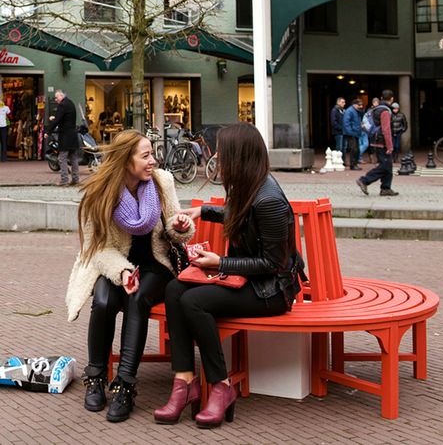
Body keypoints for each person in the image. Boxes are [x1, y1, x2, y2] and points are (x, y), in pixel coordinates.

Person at [153, 122, 304, 429]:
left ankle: (221, 387)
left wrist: (220, 262)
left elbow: (273, 264)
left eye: (222, 152)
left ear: (239, 156)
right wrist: (203, 212)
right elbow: (242, 217)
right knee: (174, 290)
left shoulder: (270, 199)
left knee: (194, 301)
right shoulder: (248, 184)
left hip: (272, 291)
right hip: (250, 282)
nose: (217, 157)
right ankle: (184, 382)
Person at [66, 129, 194, 422]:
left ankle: (125, 385)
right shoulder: (99, 194)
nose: (153, 161)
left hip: (155, 265)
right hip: (113, 263)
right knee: (102, 300)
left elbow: (175, 230)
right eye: (145, 155)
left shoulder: (162, 182)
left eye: (152, 154)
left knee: (136, 298)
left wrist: (182, 225)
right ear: (126, 160)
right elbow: (96, 249)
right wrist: (121, 271)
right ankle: (95, 378)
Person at [356, 89, 398, 197]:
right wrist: (389, 145)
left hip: (375, 140)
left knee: (388, 165)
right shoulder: (385, 111)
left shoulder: (377, 108)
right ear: (392, 99)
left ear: (381, 98)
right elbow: (386, 129)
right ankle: (364, 180)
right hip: (381, 142)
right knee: (384, 166)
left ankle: (386, 188)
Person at [45, 90, 80, 186]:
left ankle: (64, 180)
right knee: (73, 158)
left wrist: (48, 131)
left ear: (61, 96)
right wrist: (56, 118)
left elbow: (58, 120)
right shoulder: (71, 103)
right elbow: (66, 118)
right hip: (73, 134)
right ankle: (75, 179)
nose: (56, 100)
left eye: (56, 98)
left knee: (62, 158)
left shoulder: (62, 105)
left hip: (65, 135)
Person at [342, 98, 364, 170]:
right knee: (354, 149)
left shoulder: (356, 111)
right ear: (354, 105)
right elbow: (346, 123)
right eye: (359, 105)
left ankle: (355, 164)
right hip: (352, 133)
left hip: (356, 132)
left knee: (357, 149)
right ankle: (353, 164)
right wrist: (350, 132)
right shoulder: (350, 111)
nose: (361, 106)